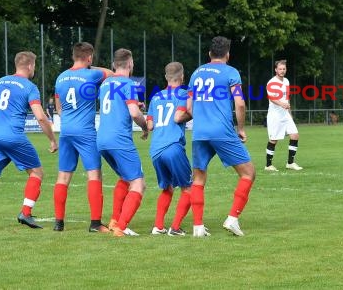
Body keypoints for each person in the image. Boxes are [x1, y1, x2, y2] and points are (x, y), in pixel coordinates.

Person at [175, 36, 256, 237]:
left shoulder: (196, 73)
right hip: (221, 131)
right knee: (248, 173)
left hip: (200, 132)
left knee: (199, 178)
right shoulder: (231, 72)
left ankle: (198, 227)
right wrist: (241, 128)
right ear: (227, 54)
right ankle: (232, 218)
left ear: (210, 54)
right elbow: (240, 103)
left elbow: (190, 108)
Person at [0, 51, 58, 231]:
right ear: (29, 66)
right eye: (34, 66)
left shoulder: (1, 81)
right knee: (37, 172)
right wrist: (52, 140)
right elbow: (40, 117)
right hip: (13, 137)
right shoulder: (29, 87)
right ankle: (25, 212)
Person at [53, 42, 113, 233]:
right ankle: (95, 223)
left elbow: (58, 107)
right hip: (85, 131)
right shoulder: (92, 74)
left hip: (66, 131)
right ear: (89, 57)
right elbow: (112, 74)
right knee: (94, 174)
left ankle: (58, 223)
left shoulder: (61, 77)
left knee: (63, 176)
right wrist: (90, 65)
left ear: (73, 56)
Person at [97, 48, 148, 237]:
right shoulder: (128, 83)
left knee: (125, 179)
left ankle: (114, 221)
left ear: (113, 65)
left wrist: (135, 104)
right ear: (130, 64)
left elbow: (116, 104)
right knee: (138, 184)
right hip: (119, 139)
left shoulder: (105, 84)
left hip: (102, 140)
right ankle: (121, 227)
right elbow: (134, 114)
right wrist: (144, 127)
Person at [147, 62, 192, 237]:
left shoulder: (156, 97)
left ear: (166, 77)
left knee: (167, 188)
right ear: (182, 77)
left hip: (155, 150)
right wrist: (191, 114)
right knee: (188, 188)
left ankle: (158, 226)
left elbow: (150, 125)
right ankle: (175, 227)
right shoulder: (183, 93)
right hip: (172, 147)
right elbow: (178, 116)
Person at [264, 59, 302, 172]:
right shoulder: (271, 82)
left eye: (284, 69)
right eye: (280, 69)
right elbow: (271, 97)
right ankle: (268, 165)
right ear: (276, 70)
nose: (282, 71)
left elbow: (287, 99)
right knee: (273, 140)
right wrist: (282, 104)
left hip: (285, 115)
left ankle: (290, 163)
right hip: (275, 115)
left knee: (295, 135)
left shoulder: (286, 81)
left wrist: (290, 114)